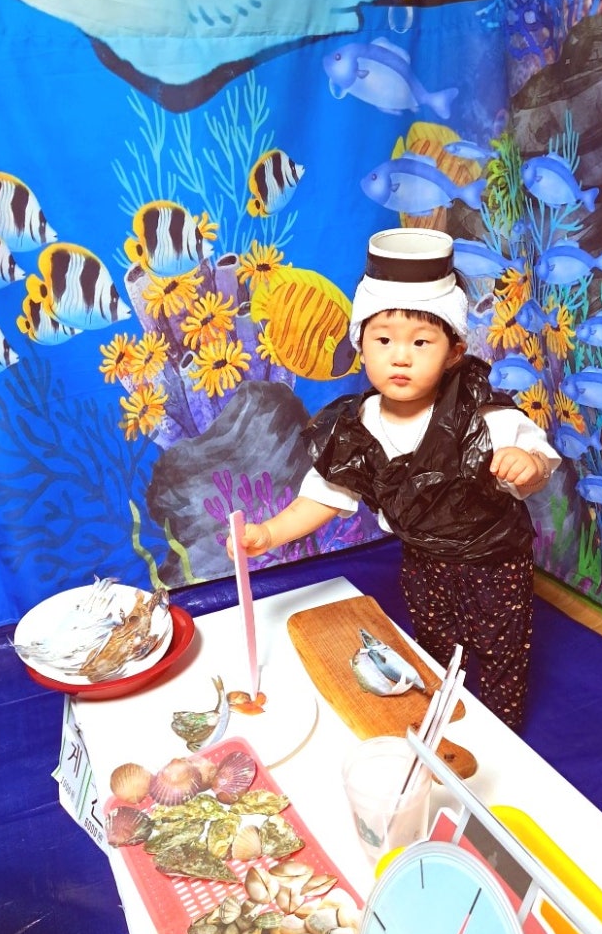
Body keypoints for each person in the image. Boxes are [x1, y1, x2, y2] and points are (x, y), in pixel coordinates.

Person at [228, 227, 560, 730]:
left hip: (492, 564)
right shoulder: (357, 427)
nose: (400, 356)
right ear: (360, 345)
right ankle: (443, 725)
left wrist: (527, 465)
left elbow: (537, 459)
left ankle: (501, 735)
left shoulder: (482, 416)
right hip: (423, 563)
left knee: (500, 654)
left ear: (453, 351)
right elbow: (324, 495)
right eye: (383, 340)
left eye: (421, 342)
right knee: (432, 648)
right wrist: (269, 533)